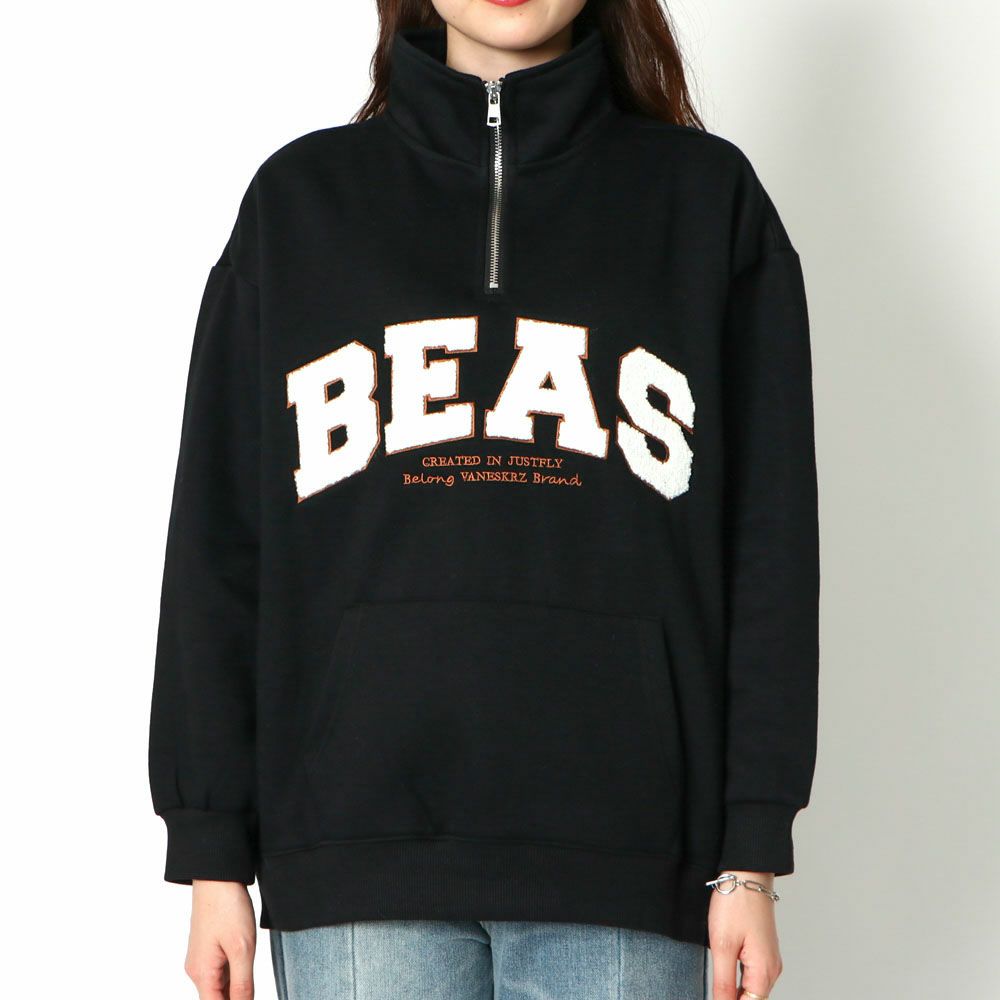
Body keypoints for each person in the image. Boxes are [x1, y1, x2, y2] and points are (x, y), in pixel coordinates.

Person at [147, 0, 821, 997]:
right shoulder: (301, 202)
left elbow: (769, 548)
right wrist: (212, 851)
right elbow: (219, 538)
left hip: (630, 856)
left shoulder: (706, 201)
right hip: (352, 847)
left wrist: (750, 857)